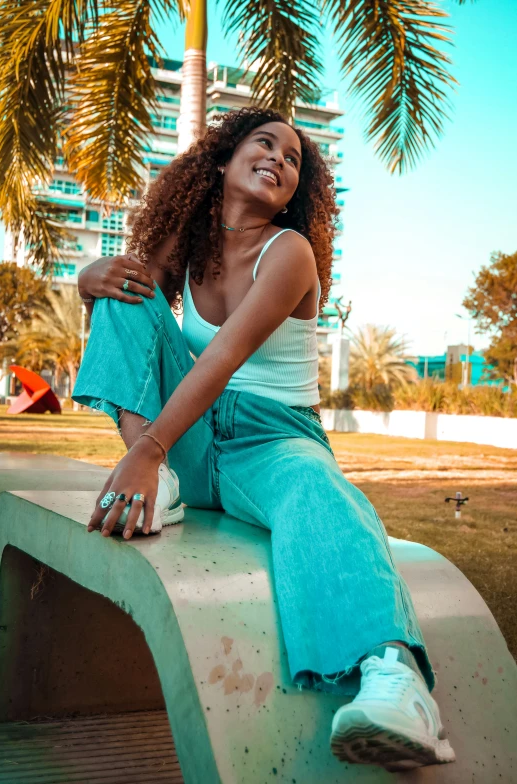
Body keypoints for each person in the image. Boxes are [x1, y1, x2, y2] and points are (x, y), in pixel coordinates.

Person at [73, 107, 455, 772]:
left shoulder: (289, 253)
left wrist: (148, 448)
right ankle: (159, 485)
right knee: (122, 287)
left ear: (295, 191)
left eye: (293, 160)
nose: (279, 158)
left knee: (318, 491)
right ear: (220, 160)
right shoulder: (185, 246)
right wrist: (88, 278)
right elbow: (130, 315)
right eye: (263, 143)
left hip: (272, 442)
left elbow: (220, 361)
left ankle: (392, 679)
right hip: (185, 439)